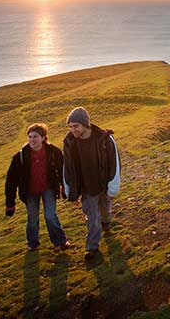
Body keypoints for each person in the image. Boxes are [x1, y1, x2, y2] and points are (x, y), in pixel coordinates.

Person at [63, 107, 121, 260]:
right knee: (91, 217)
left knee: (105, 208)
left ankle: (106, 222)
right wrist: (70, 190)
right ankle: (92, 247)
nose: (72, 130)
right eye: (70, 126)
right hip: (86, 188)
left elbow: (115, 162)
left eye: (76, 126)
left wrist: (113, 186)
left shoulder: (104, 138)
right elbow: (67, 168)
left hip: (103, 183)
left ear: (85, 124)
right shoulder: (69, 142)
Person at [5, 123, 70, 252]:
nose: (32, 140)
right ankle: (32, 243)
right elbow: (11, 180)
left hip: (49, 189)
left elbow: (62, 171)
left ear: (43, 137)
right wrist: (10, 204)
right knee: (33, 218)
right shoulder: (20, 156)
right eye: (29, 137)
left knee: (50, 216)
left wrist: (64, 187)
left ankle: (60, 241)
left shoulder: (54, 152)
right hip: (30, 192)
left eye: (35, 137)